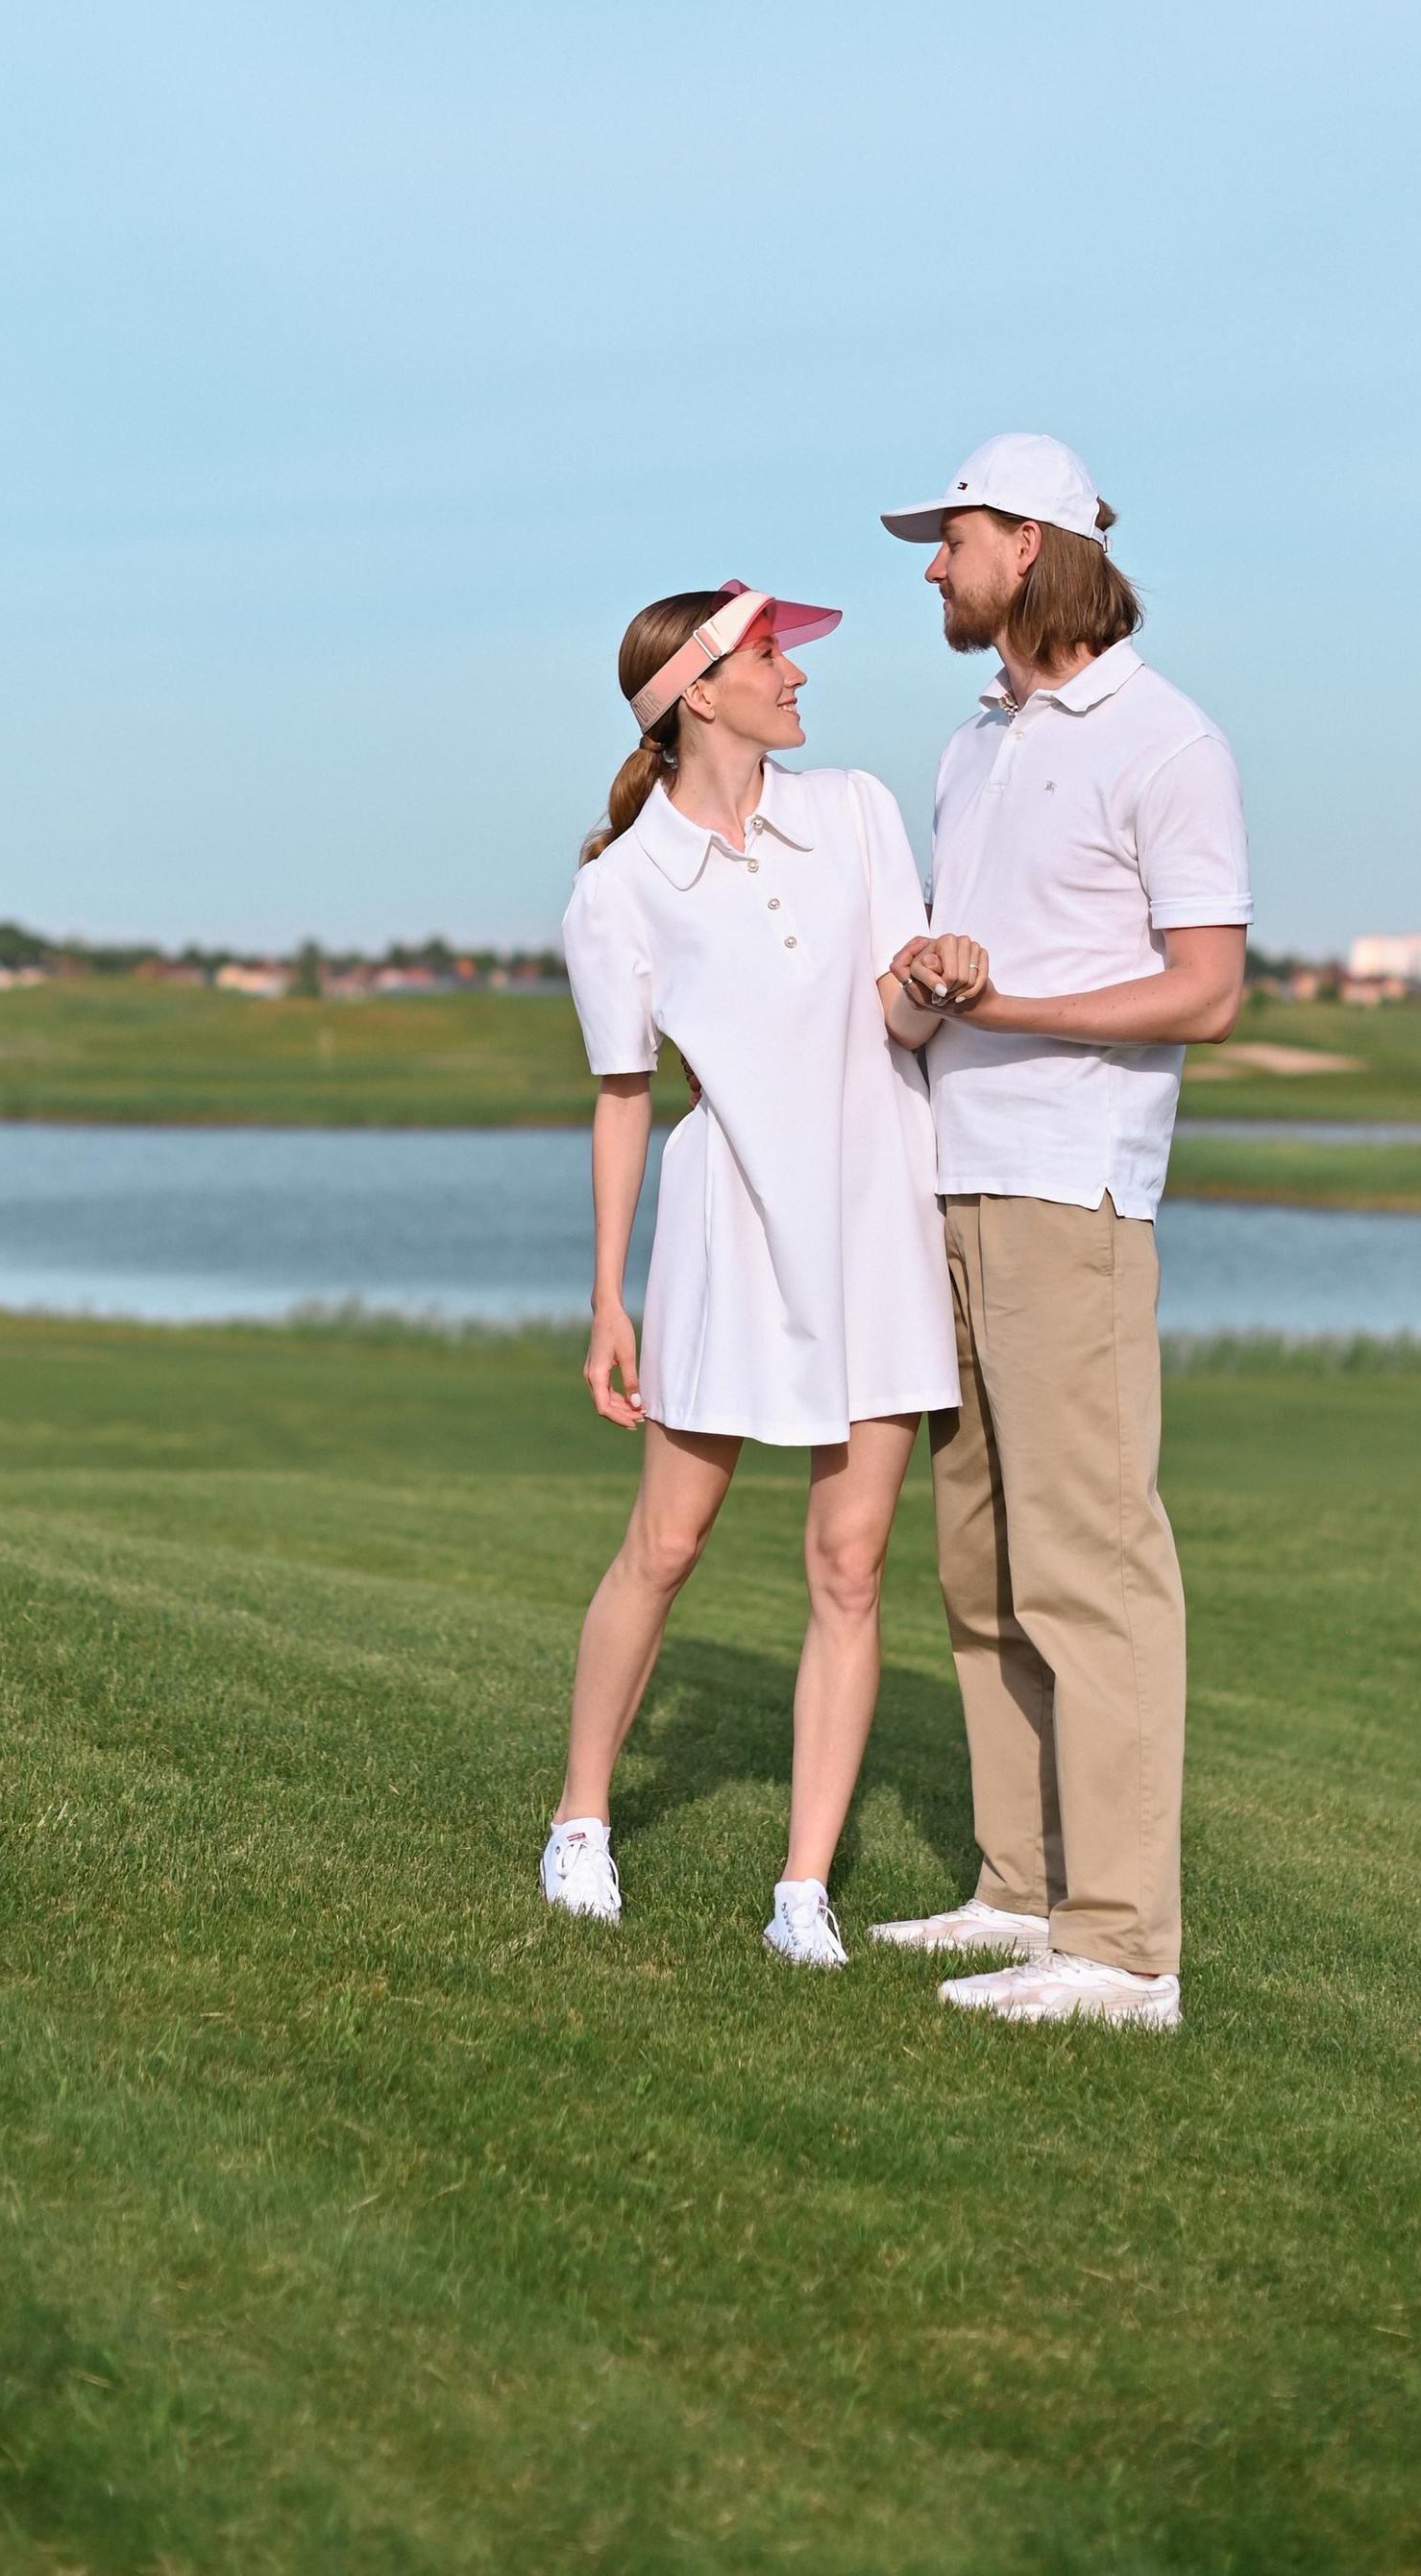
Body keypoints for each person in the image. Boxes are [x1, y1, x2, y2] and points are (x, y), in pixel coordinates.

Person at [864, 434, 1250, 2031]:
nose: (929, 564)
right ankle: (1017, 1891)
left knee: (1089, 1563)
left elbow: (1207, 986)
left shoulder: (1166, 740)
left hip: (1071, 1189)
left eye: (947, 536)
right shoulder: (975, 744)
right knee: (979, 1559)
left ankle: (1124, 1949)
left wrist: (1007, 1000)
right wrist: (936, 981)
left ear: (1026, 544)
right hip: (950, 1172)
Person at [545, 581, 981, 1967]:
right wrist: (609, 1296)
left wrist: (937, 974)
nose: (795, 673)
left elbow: (894, 1020)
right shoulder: (617, 894)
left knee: (851, 1568)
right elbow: (625, 1099)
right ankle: (581, 1823)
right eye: (768, 654)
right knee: (666, 1546)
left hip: (878, 1226)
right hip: (731, 1238)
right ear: (695, 694)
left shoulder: (852, 809)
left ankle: (804, 1892)